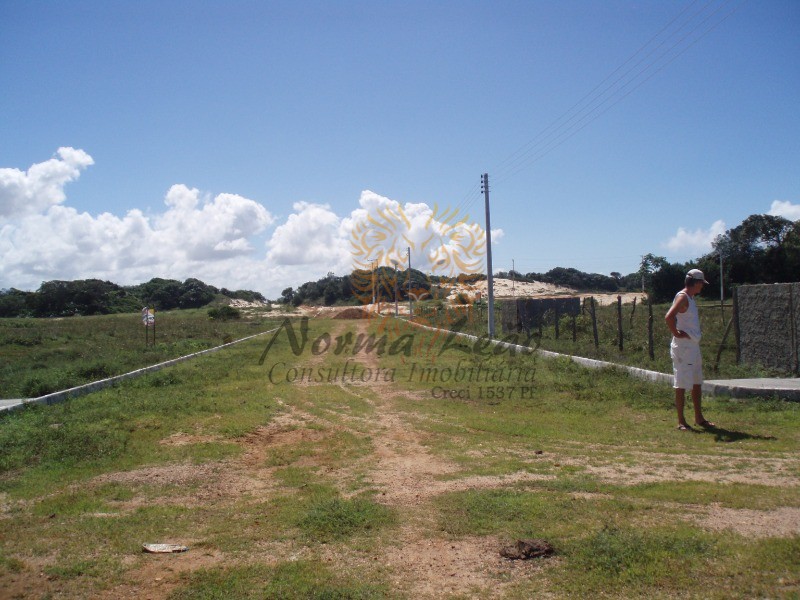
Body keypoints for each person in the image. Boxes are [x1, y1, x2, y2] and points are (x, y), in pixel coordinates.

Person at [664, 269, 714, 430]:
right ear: (696, 282)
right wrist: (676, 333)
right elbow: (669, 316)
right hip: (684, 348)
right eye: (701, 284)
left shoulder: (690, 298)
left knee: (696, 382)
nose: (702, 287)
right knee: (681, 384)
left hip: (692, 346)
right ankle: (681, 421)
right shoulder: (683, 297)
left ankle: (699, 418)